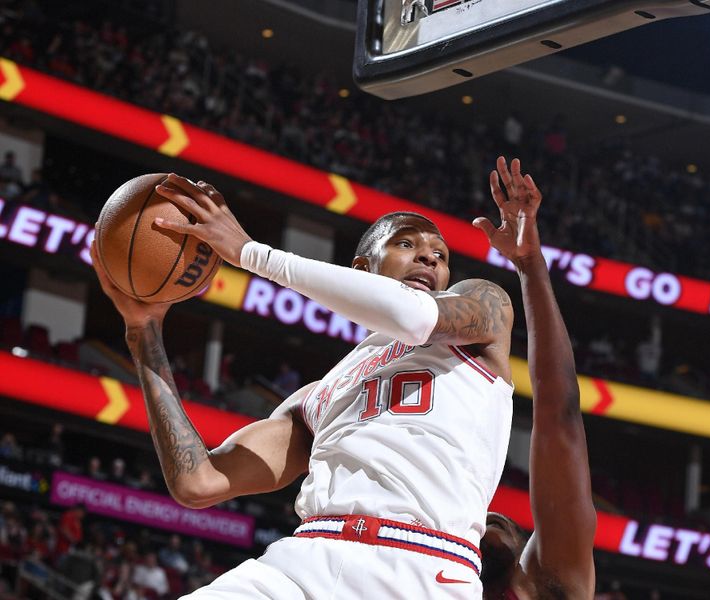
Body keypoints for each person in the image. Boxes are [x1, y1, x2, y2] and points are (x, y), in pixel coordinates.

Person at [91, 165, 516, 598]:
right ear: (361, 268)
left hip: (421, 565)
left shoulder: (483, 311)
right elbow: (199, 482)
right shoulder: (320, 394)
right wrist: (144, 336)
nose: (429, 257)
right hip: (304, 560)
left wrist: (251, 253)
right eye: (406, 243)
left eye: (440, 255)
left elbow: (413, 315)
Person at [473, 159, 596, 599]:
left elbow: (559, 416)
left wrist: (529, 265)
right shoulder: (410, 575)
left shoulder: (546, 582)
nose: (489, 520)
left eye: (497, 522)